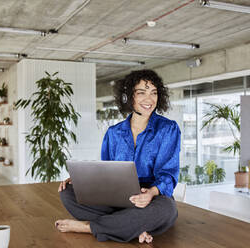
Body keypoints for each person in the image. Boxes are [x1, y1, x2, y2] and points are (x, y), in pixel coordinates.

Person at [55, 69, 181, 243]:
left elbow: (168, 172)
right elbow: (106, 172)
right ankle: (131, 226)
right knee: (68, 194)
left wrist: (151, 193)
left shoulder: (168, 129)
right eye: (141, 93)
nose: (149, 99)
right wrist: (81, 180)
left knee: (167, 210)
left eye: (154, 93)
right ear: (129, 96)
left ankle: (89, 227)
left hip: (153, 198)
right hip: (118, 197)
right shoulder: (114, 133)